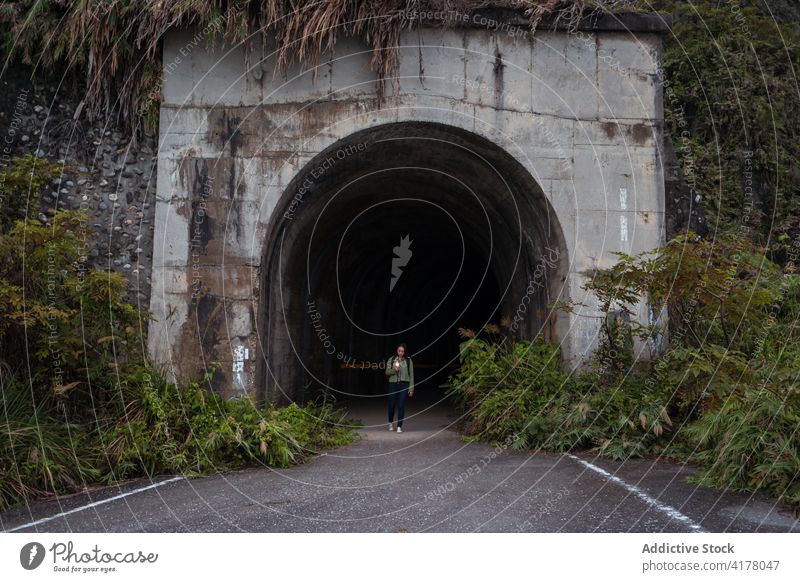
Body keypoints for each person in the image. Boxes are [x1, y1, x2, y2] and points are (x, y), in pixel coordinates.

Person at [385, 343, 414, 433]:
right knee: (391, 405)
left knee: (401, 405)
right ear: (397, 351)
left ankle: (399, 426)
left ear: (405, 352)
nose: (401, 353)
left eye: (402, 351)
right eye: (399, 351)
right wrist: (394, 370)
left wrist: (411, 389)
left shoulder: (408, 361)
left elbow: (411, 375)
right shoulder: (392, 359)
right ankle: (390, 423)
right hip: (393, 385)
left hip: (404, 385)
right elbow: (387, 372)